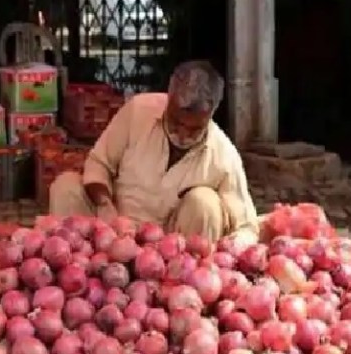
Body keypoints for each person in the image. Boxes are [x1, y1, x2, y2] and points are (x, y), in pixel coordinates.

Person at [49, 60, 259, 244]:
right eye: (176, 122)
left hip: (172, 256)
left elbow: (247, 227)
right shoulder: (137, 111)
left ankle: (184, 286)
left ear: (211, 114)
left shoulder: (224, 154)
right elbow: (99, 163)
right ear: (169, 97)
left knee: (205, 203)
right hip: (112, 234)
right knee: (65, 187)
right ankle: (75, 269)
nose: (183, 134)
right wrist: (104, 205)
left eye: (195, 129)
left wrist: (232, 247)